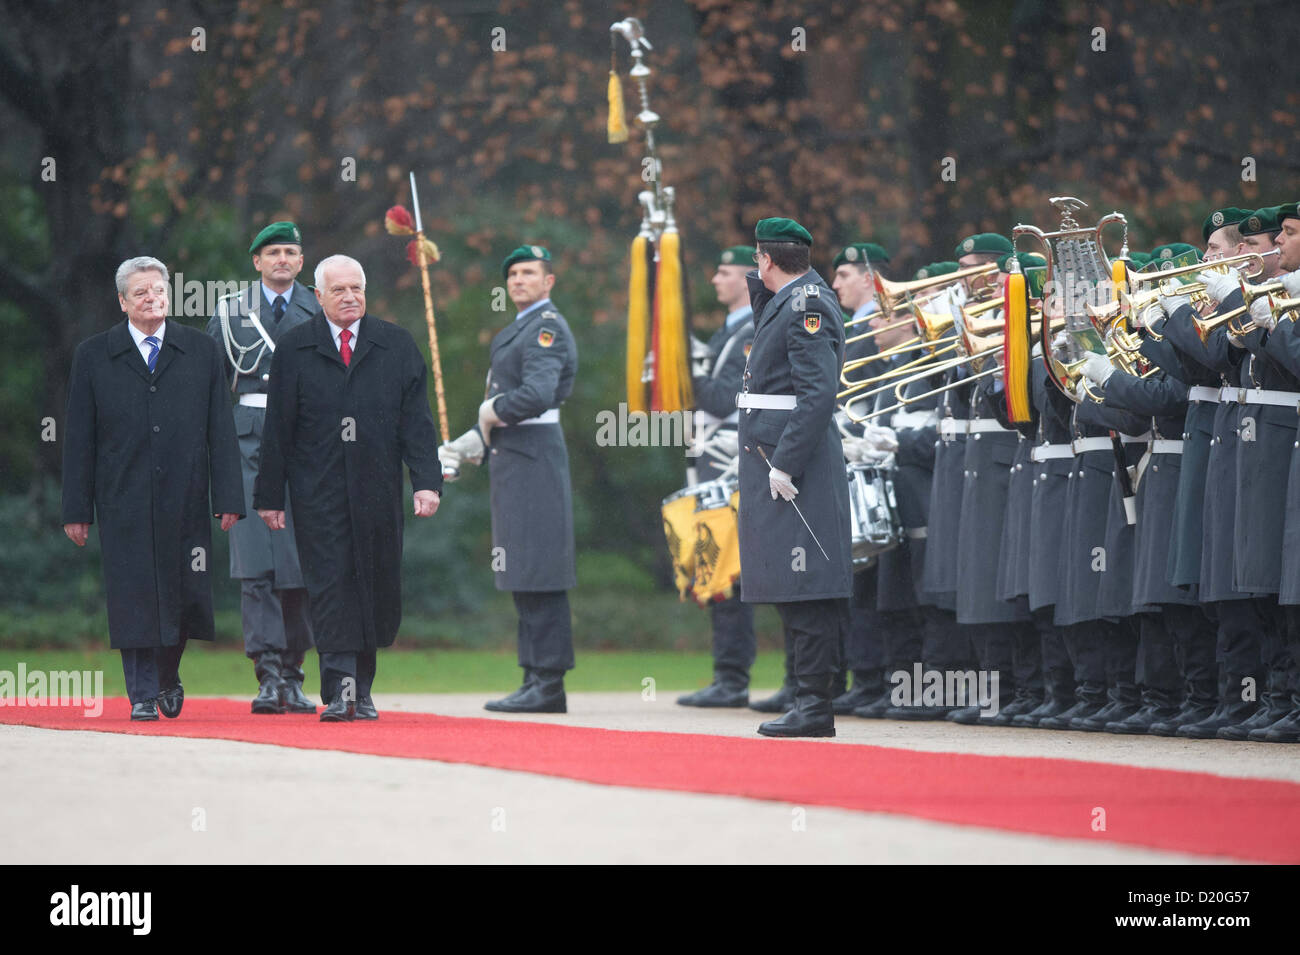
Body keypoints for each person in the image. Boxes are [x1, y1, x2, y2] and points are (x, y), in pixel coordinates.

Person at [254, 254, 443, 721]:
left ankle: (363, 687)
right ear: (318, 296)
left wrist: (426, 482)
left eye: (356, 288)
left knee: (373, 584)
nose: (349, 296)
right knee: (331, 585)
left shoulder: (395, 344)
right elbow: (277, 428)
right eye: (338, 290)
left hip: (377, 488)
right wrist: (269, 495)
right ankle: (340, 689)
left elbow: (417, 424)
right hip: (317, 491)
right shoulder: (296, 348)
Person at [62, 257, 243, 720]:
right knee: (133, 593)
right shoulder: (94, 355)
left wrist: (228, 498)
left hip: (185, 497)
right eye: (140, 292)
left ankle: (167, 675)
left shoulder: (201, 351)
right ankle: (141, 693)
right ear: (122, 301)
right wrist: (76, 508)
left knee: (183, 594)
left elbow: (221, 430)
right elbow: (80, 438)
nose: (151, 298)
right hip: (122, 497)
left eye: (158, 290)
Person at [439, 244, 578, 714]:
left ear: (549, 281)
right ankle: (533, 675)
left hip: (534, 459)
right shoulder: (521, 328)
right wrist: (471, 440)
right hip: (515, 458)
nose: (518, 280)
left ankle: (549, 682)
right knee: (522, 571)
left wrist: (492, 411)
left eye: (529, 273)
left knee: (541, 572)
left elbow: (537, 394)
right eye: (513, 274)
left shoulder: (545, 327)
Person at [735, 217, 853, 737]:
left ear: (765, 259)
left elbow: (817, 394)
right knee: (789, 584)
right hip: (775, 456)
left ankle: (814, 706)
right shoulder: (792, 299)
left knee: (806, 587)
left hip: (792, 463)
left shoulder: (806, 303)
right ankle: (807, 700)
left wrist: (785, 460)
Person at [207, 221, 320, 715]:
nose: (281, 259)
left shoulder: (318, 308)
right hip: (248, 438)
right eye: (272, 252)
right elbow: (212, 388)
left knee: (298, 566)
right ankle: (267, 672)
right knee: (256, 563)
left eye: (290, 252)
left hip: (306, 442)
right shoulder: (231, 311)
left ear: (301, 261)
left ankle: (294, 673)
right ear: (256, 261)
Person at [677, 245, 758, 708]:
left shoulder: (749, 331)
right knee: (716, 571)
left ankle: (733, 678)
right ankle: (726, 675)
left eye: (724, 272)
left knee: (729, 573)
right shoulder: (730, 331)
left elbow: (723, 398)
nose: (714, 280)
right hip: (716, 464)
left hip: (730, 464)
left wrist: (684, 365)